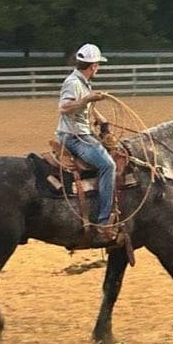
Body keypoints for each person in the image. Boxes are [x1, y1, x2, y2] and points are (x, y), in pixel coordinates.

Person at [55, 43, 117, 239]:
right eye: (97, 65)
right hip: (74, 137)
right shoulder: (73, 82)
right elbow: (64, 108)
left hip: (81, 133)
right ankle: (104, 220)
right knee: (108, 165)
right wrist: (87, 100)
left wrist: (102, 121)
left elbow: (86, 107)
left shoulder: (83, 83)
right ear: (93, 66)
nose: (98, 68)